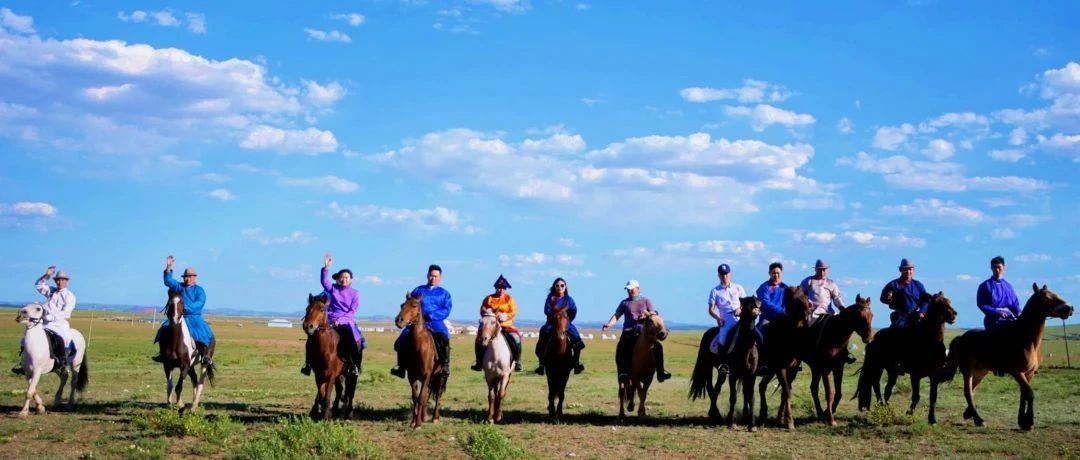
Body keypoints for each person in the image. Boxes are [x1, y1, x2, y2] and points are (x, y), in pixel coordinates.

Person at [302, 253, 365, 376]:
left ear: (351, 280)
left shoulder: (355, 293)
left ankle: (353, 365)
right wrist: (326, 268)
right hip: (329, 319)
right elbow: (324, 281)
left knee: (351, 338)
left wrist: (340, 321)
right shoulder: (333, 288)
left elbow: (352, 311)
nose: (344, 279)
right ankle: (308, 364)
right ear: (338, 278)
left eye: (347, 277)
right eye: (342, 277)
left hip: (346, 320)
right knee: (312, 336)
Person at [602, 280, 671, 383]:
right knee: (622, 348)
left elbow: (654, 313)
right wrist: (609, 324)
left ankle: (660, 372)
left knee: (658, 347)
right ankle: (623, 373)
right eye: (628, 289)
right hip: (628, 331)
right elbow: (617, 315)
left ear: (638, 289)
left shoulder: (646, 301)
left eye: (631, 289)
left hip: (644, 332)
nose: (629, 291)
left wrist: (646, 315)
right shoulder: (624, 302)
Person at [391, 264, 453, 378]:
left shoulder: (444, 293)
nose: (433, 278)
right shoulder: (419, 290)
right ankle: (401, 366)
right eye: (431, 276)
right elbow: (409, 304)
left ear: (440, 278)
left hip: (435, 322)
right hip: (416, 322)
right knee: (401, 340)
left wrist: (432, 315)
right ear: (427, 276)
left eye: (435, 276)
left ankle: (445, 366)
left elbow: (447, 309)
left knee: (444, 338)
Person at [153, 256, 215, 366]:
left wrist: (185, 307)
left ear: (195, 277)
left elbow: (199, 304)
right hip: (179, 316)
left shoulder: (199, 290)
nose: (187, 278)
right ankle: (163, 353)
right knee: (164, 328)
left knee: (205, 333)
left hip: (193, 317)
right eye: (186, 276)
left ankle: (205, 355)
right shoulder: (179, 287)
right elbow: (168, 281)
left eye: (190, 276)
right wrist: (168, 267)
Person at [13, 266, 76, 375]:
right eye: (58, 280)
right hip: (44, 322)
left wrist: (49, 317)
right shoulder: (51, 291)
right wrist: (47, 275)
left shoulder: (69, 296)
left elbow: (66, 312)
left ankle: (62, 363)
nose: (60, 282)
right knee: (25, 339)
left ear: (67, 281)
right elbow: (38, 285)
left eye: (62, 280)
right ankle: (22, 363)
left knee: (65, 338)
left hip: (59, 324)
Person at [800, 259, 855, 364]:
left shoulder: (831, 283)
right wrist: (807, 303)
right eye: (820, 270)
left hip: (828, 312)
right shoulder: (808, 281)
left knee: (842, 329)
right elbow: (800, 295)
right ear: (816, 269)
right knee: (807, 328)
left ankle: (845, 352)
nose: (822, 272)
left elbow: (837, 297)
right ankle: (806, 351)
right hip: (813, 312)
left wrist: (842, 307)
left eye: (824, 270)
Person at [534, 277, 585, 375]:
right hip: (552, 323)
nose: (559, 287)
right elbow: (547, 310)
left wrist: (567, 320)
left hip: (565, 323)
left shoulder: (569, 300)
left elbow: (574, 311)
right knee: (543, 332)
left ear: (565, 287)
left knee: (576, 337)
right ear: (554, 287)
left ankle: (576, 363)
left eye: (562, 285)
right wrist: (554, 316)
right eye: (557, 285)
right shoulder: (550, 298)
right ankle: (541, 365)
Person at [472, 275, 522, 372]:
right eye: (499, 287)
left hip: (505, 325)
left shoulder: (509, 299)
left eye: (503, 288)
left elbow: (513, 311)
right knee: (479, 339)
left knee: (516, 337)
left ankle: (517, 361)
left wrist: (506, 316)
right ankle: (479, 362)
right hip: (490, 326)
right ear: (496, 288)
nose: (501, 290)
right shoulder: (488, 298)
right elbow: (482, 310)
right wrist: (488, 313)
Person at [708, 264, 748, 365]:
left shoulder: (738, 288)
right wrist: (718, 318)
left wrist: (740, 308)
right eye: (722, 274)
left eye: (726, 274)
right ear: (719, 275)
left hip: (741, 318)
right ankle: (723, 364)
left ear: (730, 274)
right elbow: (711, 309)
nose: (724, 276)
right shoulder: (715, 291)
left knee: (754, 334)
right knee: (722, 339)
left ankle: (760, 363)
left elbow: (745, 303)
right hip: (726, 320)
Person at [880, 258, 928, 328]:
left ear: (913, 270)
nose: (908, 271)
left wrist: (922, 312)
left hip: (916, 316)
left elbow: (925, 301)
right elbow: (882, 298)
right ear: (900, 270)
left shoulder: (919, 285)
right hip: (900, 317)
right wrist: (888, 298)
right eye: (905, 269)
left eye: (910, 269)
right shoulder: (893, 284)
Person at [976, 256, 1021, 332]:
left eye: (999, 267)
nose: (997, 270)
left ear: (1004, 267)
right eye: (994, 267)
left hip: (1010, 318)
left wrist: (1019, 313)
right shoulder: (985, 286)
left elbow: (1015, 304)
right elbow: (982, 304)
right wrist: (997, 312)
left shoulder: (1009, 286)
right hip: (993, 321)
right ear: (991, 268)